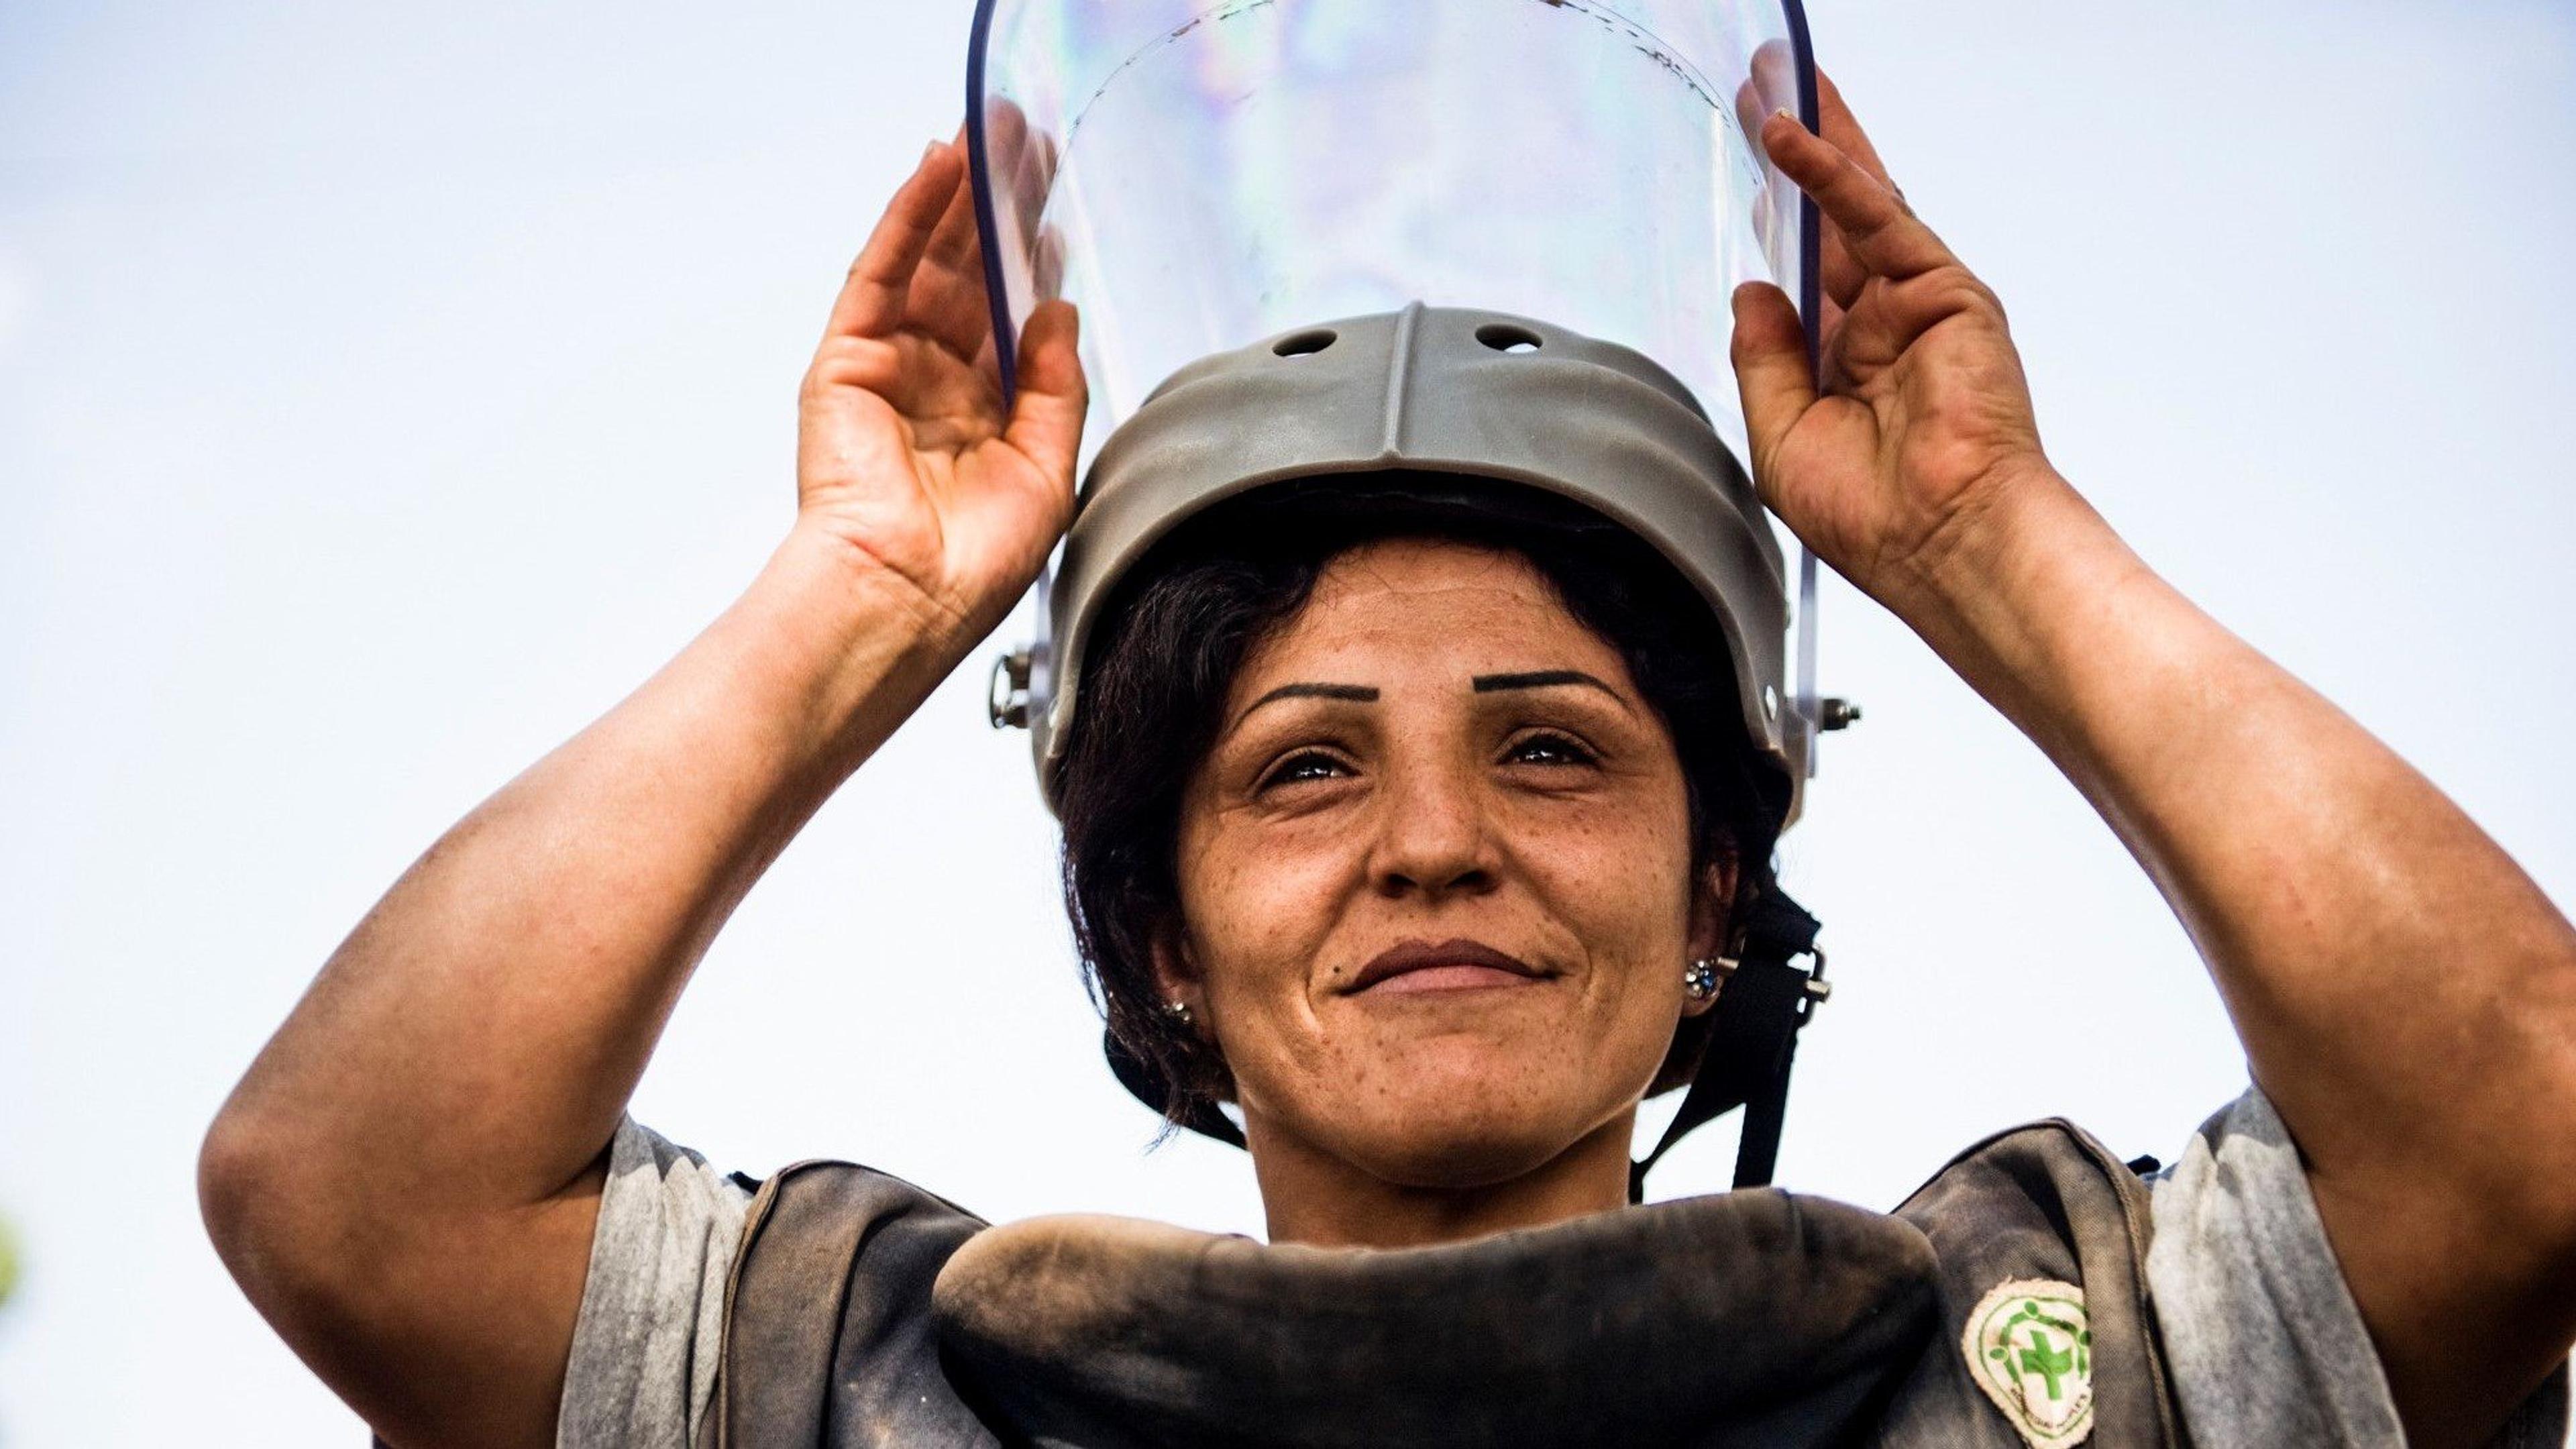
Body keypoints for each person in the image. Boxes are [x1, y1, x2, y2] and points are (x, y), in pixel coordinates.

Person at [198, 78, 2575, 1449]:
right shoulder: (875, 1385)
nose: (1437, 844)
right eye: (1304, 774)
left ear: (1717, 900)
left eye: (1554, 752)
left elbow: (2529, 1140)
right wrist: (862, 598)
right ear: (1161, 935)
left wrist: (1989, 539)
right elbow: (353, 1193)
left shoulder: (2056, 1363)